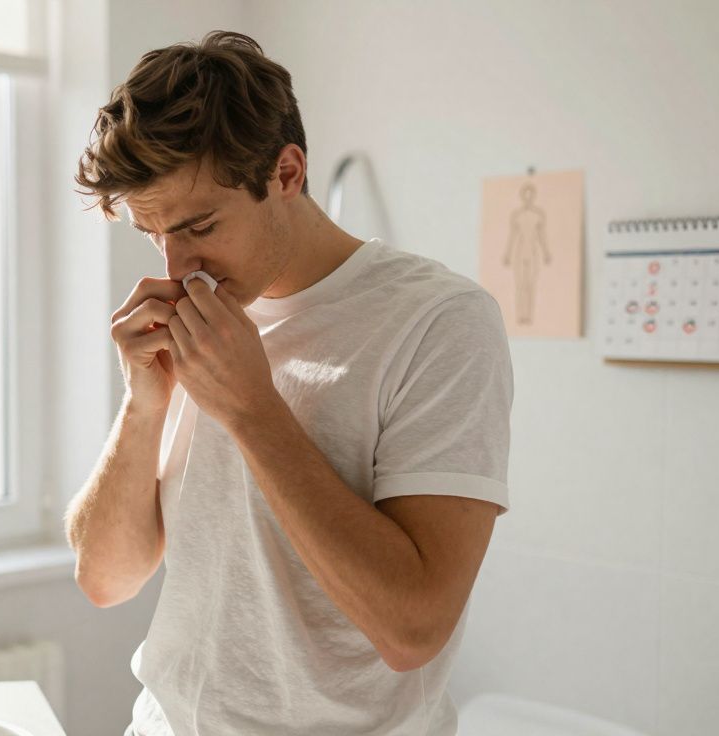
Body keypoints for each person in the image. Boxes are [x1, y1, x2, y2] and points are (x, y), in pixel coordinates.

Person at [62, 30, 513, 736]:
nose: (180, 267)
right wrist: (143, 403)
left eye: (200, 226)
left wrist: (252, 411)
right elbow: (104, 580)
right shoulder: (200, 316)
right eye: (155, 237)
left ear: (287, 172)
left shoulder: (440, 321)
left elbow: (413, 630)